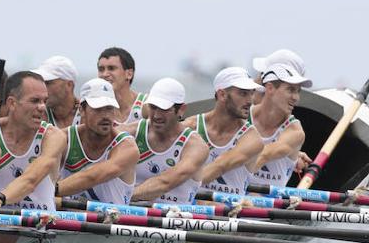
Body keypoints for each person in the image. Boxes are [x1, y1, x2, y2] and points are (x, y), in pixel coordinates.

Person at [0, 72, 68, 212]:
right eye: (35, 101)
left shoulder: (53, 136)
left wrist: (0, 198)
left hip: (37, 227)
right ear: (12, 103)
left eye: (44, 101)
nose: (42, 107)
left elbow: (31, 179)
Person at [127, 78, 208, 205]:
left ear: (181, 109)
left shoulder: (195, 146)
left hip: (175, 218)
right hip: (130, 214)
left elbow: (165, 182)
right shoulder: (130, 131)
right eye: (153, 107)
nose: (157, 115)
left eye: (164, 109)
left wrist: (122, 196)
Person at [57, 78, 138, 205]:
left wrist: (52, 191)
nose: (106, 116)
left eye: (109, 109)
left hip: (113, 220)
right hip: (69, 220)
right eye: (98, 109)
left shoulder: (127, 147)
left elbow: (94, 176)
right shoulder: (63, 138)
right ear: (82, 110)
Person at [193, 67, 261, 195]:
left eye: (251, 93)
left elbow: (220, 166)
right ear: (222, 95)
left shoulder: (252, 138)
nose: (250, 101)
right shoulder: (191, 127)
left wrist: (171, 184)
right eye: (243, 93)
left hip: (231, 211)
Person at [249, 62, 310, 187]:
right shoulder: (243, 116)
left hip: (265, 201)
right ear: (270, 88)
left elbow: (264, 155)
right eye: (291, 90)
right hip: (230, 197)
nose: (296, 98)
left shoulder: (295, 132)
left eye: (298, 91)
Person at [96, 47, 145, 123]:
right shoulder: (94, 109)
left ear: (129, 74)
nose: (105, 74)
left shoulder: (146, 105)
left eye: (111, 68)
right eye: (101, 69)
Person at [33, 55, 79, 127]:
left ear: (69, 85)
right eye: (41, 82)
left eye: (48, 83)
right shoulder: (37, 117)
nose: (42, 89)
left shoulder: (87, 116)